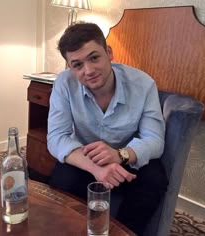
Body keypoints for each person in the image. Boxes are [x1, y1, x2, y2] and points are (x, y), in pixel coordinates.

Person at [47, 22, 168, 235]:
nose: (89, 71)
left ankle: (122, 232)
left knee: (155, 179)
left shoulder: (143, 84)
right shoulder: (64, 84)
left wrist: (120, 155)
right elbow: (57, 137)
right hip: (88, 160)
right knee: (61, 177)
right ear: (70, 67)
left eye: (94, 58)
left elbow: (155, 140)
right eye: (77, 65)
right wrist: (98, 169)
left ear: (109, 53)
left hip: (127, 158)